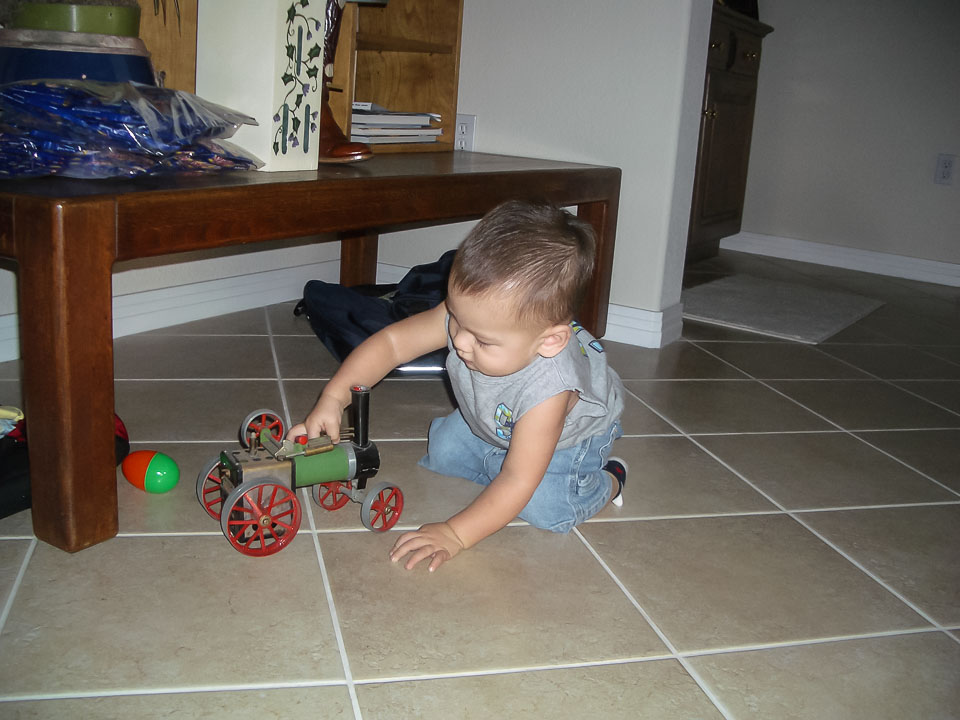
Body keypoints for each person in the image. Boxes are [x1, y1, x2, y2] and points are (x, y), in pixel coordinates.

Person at [287, 200, 626, 571]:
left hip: (569, 441)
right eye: (456, 321)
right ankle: (504, 459)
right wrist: (334, 397)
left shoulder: (551, 389)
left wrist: (456, 533)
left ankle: (611, 479)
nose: (460, 341)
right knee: (443, 451)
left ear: (548, 342)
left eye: (482, 340)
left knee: (544, 506)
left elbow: (517, 479)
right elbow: (392, 344)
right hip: (497, 419)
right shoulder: (470, 318)